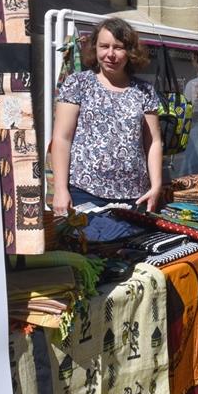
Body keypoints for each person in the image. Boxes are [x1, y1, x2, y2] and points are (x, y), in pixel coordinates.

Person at [50, 18, 163, 240]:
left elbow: (154, 142)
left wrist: (156, 185)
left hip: (134, 197)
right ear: (95, 48)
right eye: (104, 46)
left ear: (129, 52)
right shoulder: (78, 84)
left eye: (118, 47)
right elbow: (62, 139)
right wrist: (60, 189)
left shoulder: (144, 91)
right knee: (89, 255)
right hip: (84, 194)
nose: (110, 54)